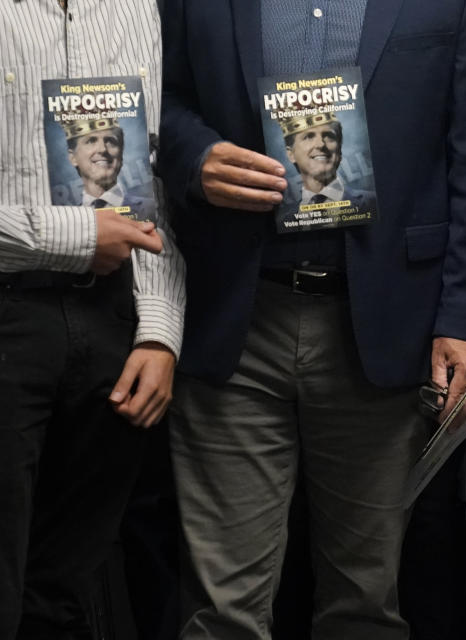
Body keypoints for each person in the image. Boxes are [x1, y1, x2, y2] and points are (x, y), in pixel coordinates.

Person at [158, 1, 466, 638]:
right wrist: (195, 156)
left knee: (364, 605)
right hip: (235, 314)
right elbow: (163, 93)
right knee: (221, 613)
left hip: (384, 323)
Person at [0, 1, 185, 637]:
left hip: (117, 324)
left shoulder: (145, 9)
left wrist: (160, 329)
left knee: (65, 595)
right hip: (8, 316)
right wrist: (77, 233)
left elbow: (158, 179)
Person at [63, 119, 157, 219]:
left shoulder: (150, 209)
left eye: (110, 141)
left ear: (121, 154)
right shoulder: (66, 218)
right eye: (91, 141)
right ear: (73, 158)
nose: (102, 149)